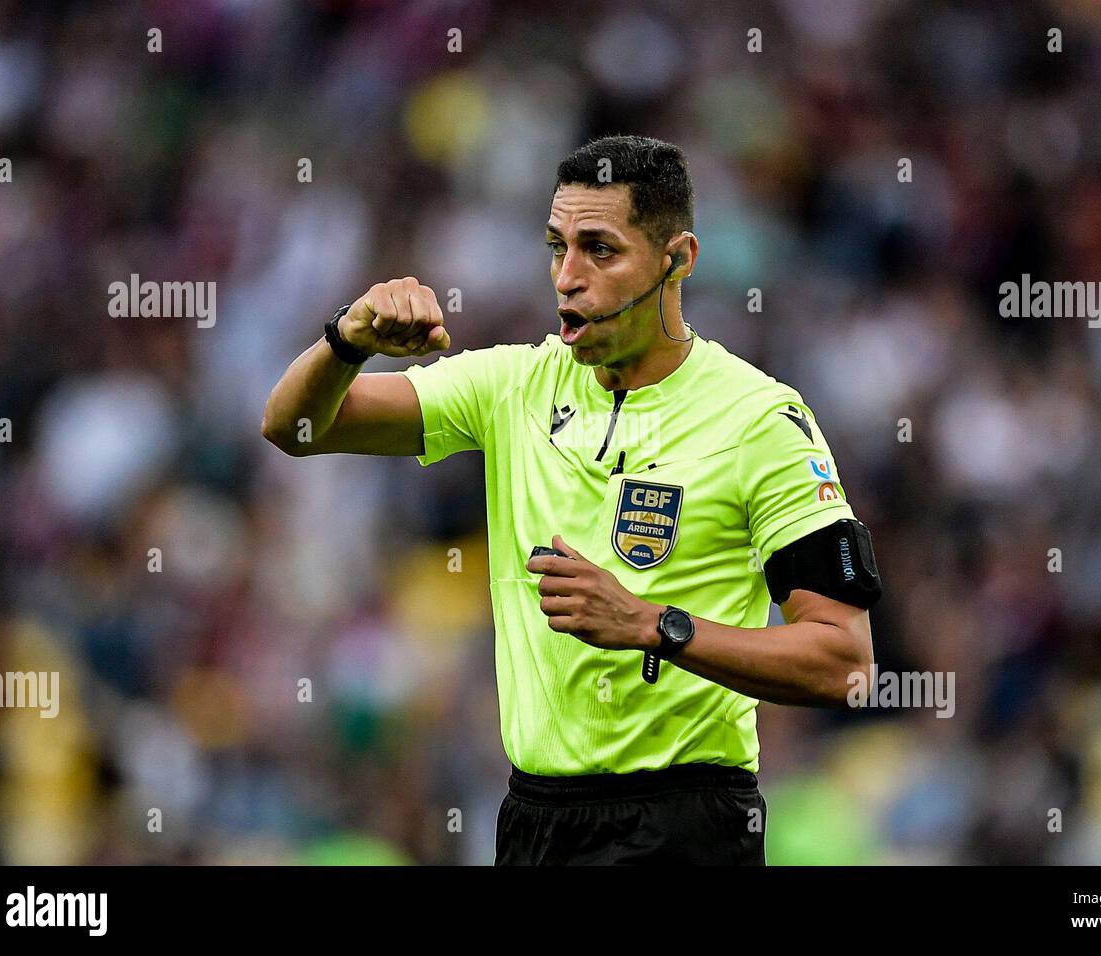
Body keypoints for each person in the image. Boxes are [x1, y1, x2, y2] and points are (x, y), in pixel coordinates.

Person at [262, 135, 881, 865]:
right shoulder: (512, 386)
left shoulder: (759, 420)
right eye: (557, 246)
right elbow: (295, 427)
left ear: (677, 259)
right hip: (535, 822)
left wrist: (656, 626)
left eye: (600, 250)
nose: (567, 277)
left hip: (684, 826)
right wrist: (347, 339)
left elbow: (846, 664)